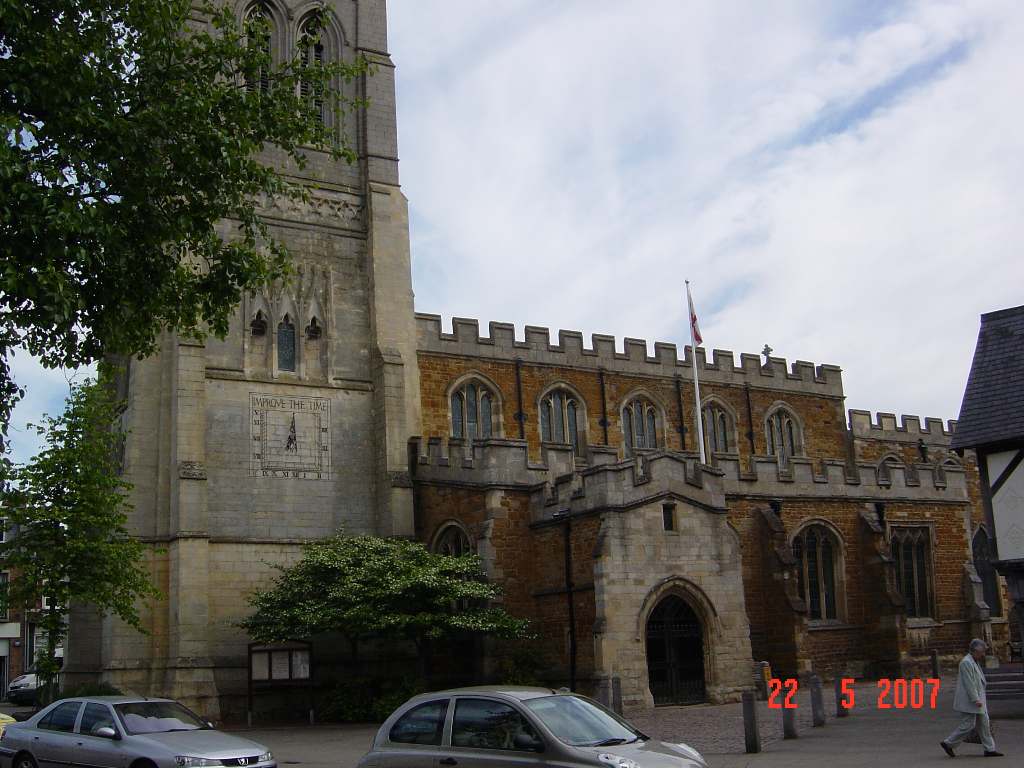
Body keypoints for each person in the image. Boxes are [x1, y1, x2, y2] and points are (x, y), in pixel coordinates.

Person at [941, 638, 1003, 758]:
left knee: (984, 724)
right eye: (982, 652)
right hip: (971, 701)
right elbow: (969, 683)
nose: (983, 654)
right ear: (975, 651)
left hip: (977, 699)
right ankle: (949, 743)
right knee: (968, 724)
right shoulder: (966, 662)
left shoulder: (973, 661)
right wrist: (975, 699)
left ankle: (989, 749)